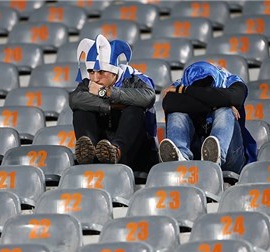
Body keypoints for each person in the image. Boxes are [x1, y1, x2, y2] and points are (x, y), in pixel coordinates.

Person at [69, 34, 160, 173]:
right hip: (102, 148)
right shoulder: (87, 83)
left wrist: (106, 93)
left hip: (137, 153)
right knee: (81, 108)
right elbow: (74, 99)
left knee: (134, 108)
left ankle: (116, 152)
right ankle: (89, 152)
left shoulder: (133, 78)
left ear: (113, 72)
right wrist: (111, 106)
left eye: (101, 72)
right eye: (91, 72)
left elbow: (148, 97)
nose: (95, 78)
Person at [160, 61, 257, 174]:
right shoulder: (181, 83)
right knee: (176, 113)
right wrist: (218, 100)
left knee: (225, 111)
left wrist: (187, 91)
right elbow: (169, 104)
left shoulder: (232, 81)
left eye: (206, 88)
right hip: (196, 152)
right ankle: (180, 158)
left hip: (232, 155)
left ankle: (216, 156)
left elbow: (234, 98)